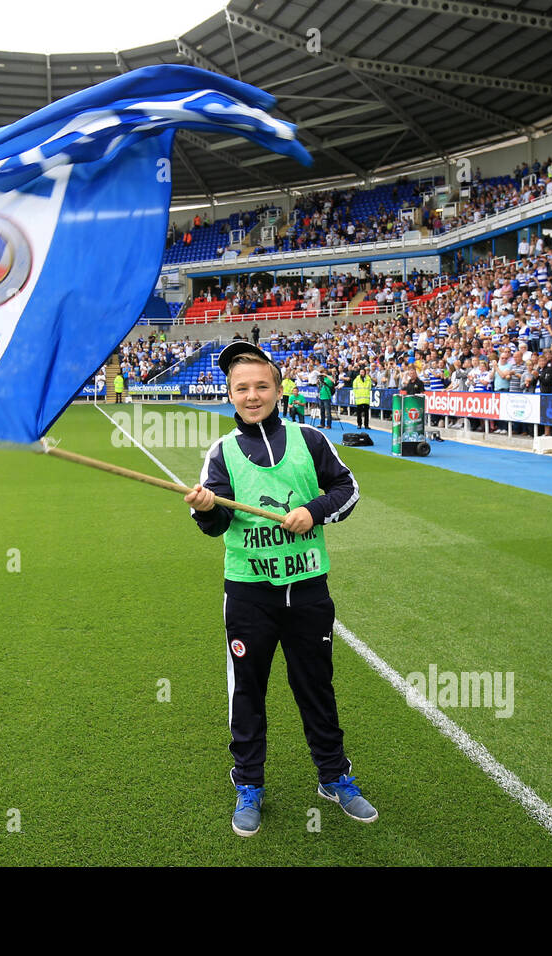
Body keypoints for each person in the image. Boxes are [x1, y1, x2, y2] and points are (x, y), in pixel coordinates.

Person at [184, 342, 374, 837]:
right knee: (247, 692)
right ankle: (249, 784)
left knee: (316, 687)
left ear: (278, 388)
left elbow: (347, 490)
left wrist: (312, 510)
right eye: (242, 388)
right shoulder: (221, 453)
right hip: (250, 594)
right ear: (230, 395)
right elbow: (215, 524)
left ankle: (334, 777)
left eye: (261, 386)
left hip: (309, 591)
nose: (252, 396)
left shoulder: (309, 439)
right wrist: (208, 508)